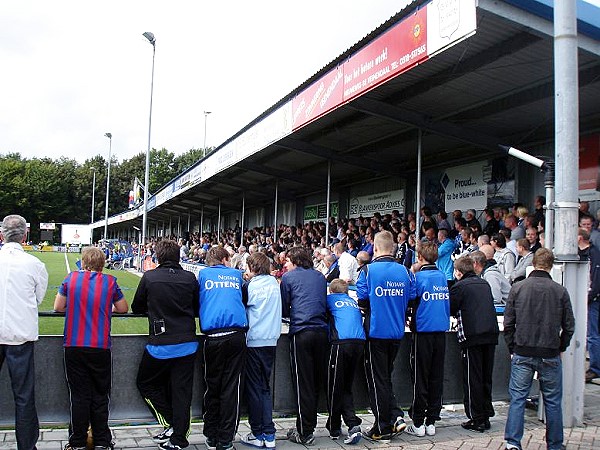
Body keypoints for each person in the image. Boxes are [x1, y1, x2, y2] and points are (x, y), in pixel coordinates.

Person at [54, 246, 128, 450]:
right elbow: (123, 308)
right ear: (102, 264)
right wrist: (106, 307)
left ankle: (77, 442)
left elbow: (58, 307)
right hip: (100, 346)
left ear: (84, 262)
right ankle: (102, 442)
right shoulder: (110, 281)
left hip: (75, 345)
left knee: (79, 396)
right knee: (100, 396)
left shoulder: (71, 279)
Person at [503, 248, 575, 450]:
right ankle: (555, 444)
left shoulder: (518, 288)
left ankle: (513, 442)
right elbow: (569, 325)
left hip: (523, 350)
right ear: (551, 266)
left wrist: (512, 347)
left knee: (517, 398)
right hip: (550, 351)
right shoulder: (560, 291)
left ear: (532, 263)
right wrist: (561, 345)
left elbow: (508, 323)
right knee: (552, 401)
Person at [132, 239, 199, 450]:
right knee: (181, 392)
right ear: (178, 257)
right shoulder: (190, 278)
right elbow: (197, 307)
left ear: (158, 257)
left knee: (146, 383)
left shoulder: (150, 277)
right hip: (187, 343)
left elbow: (136, 306)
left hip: (160, 345)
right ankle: (178, 435)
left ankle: (173, 425)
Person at [356, 230, 416, 443]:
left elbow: (361, 301)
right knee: (384, 378)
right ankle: (393, 416)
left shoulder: (368, 271)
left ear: (376, 249)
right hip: (397, 333)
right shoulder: (406, 272)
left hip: (375, 332)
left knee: (376, 380)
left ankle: (383, 427)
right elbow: (411, 300)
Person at [0, 215, 48, 450]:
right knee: (24, 396)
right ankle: (26, 447)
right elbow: (38, 298)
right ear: (25, 236)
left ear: (1, 235)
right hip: (19, 337)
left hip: (15, 335)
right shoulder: (34, 264)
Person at [199, 246, 248, 450]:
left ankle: (211, 434)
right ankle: (226, 438)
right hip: (236, 335)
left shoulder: (202, 275)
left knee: (212, 386)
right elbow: (244, 299)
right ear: (226, 259)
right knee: (231, 388)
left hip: (213, 336)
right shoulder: (237, 275)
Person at [280, 246, 328, 445]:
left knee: (303, 383)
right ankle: (307, 425)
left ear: (296, 260)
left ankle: (305, 431)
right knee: (315, 382)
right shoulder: (319, 276)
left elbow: (284, 307)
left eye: (288, 261)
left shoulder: (288, 278)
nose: (285, 264)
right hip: (321, 332)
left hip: (302, 332)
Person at [450, 256, 499, 432]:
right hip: (491, 334)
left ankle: (476, 417)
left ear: (459, 272)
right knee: (486, 377)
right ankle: (485, 414)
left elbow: (451, 308)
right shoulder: (483, 283)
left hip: (472, 336)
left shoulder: (459, 287)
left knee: (473, 378)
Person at [405, 242, 450, 438]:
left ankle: (417, 422)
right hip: (441, 331)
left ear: (420, 258)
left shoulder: (419, 277)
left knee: (420, 377)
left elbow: (411, 299)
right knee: (436, 376)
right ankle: (432, 420)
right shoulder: (441, 276)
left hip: (423, 331)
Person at [240, 252, 282, 449]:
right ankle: (269, 433)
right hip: (271, 340)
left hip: (255, 340)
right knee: (264, 388)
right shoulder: (274, 283)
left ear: (253, 268)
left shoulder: (251, 286)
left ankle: (259, 433)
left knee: (256, 389)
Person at [325, 279, 365, 445]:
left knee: (334, 386)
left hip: (340, 343)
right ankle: (352, 423)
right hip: (359, 342)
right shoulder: (352, 302)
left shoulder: (330, 300)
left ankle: (334, 427)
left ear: (332, 291)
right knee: (346, 386)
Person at [579, 228, 600, 383]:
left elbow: (595, 280)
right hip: (586, 298)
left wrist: (588, 297)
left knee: (592, 334)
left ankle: (595, 368)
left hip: (592, 300)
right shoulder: (583, 254)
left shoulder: (594, 254)